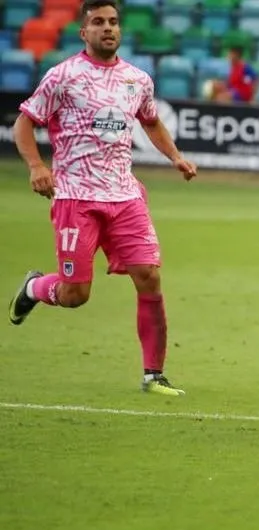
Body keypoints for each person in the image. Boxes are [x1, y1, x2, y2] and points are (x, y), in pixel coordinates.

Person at [7, 0, 198, 397]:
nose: (107, 28)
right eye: (98, 22)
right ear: (84, 32)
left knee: (149, 277)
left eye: (113, 22)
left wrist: (175, 156)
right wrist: (36, 167)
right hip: (76, 197)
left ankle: (154, 375)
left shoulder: (137, 80)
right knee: (76, 295)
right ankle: (34, 288)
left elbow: (151, 120)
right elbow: (24, 124)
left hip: (125, 195)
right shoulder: (63, 77)